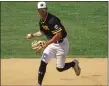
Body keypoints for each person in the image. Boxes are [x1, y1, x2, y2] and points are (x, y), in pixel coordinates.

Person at [26, 2, 81, 86]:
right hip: (52, 44)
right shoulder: (41, 21)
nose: (42, 12)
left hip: (62, 44)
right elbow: (42, 32)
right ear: (38, 11)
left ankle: (73, 63)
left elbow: (59, 35)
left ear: (46, 9)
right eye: (40, 11)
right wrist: (33, 35)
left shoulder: (52, 20)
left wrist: (47, 43)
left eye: (43, 10)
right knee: (43, 61)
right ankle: (39, 84)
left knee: (60, 68)